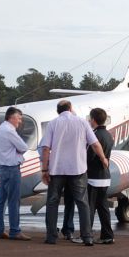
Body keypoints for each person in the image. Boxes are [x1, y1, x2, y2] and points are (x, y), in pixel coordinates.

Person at [40, 100, 109, 246]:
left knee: (52, 202)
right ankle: (87, 237)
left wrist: (44, 169)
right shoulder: (82, 122)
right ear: (70, 108)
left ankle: (51, 236)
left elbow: (45, 148)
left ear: (58, 111)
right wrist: (103, 158)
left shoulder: (53, 124)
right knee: (82, 203)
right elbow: (95, 144)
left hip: (57, 169)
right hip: (77, 169)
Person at [0, 106, 32, 241]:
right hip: (11, 168)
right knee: (14, 201)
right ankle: (15, 230)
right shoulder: (9, 131)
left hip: (1, 167)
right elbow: (24, 147)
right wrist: (17, 152)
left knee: (1, 200)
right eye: (18, 118)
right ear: (11, 117)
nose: (19, 121)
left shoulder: (0, 129)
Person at [86, 108, 114, 244]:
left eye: (90, 118)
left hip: (93, 177)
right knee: (103, 208)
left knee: (89, 207)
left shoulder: (94, 135)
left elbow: (90, 156)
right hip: (105, 176)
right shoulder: (109, 135)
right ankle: (107, 235)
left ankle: (87, 235)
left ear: (94, 120)